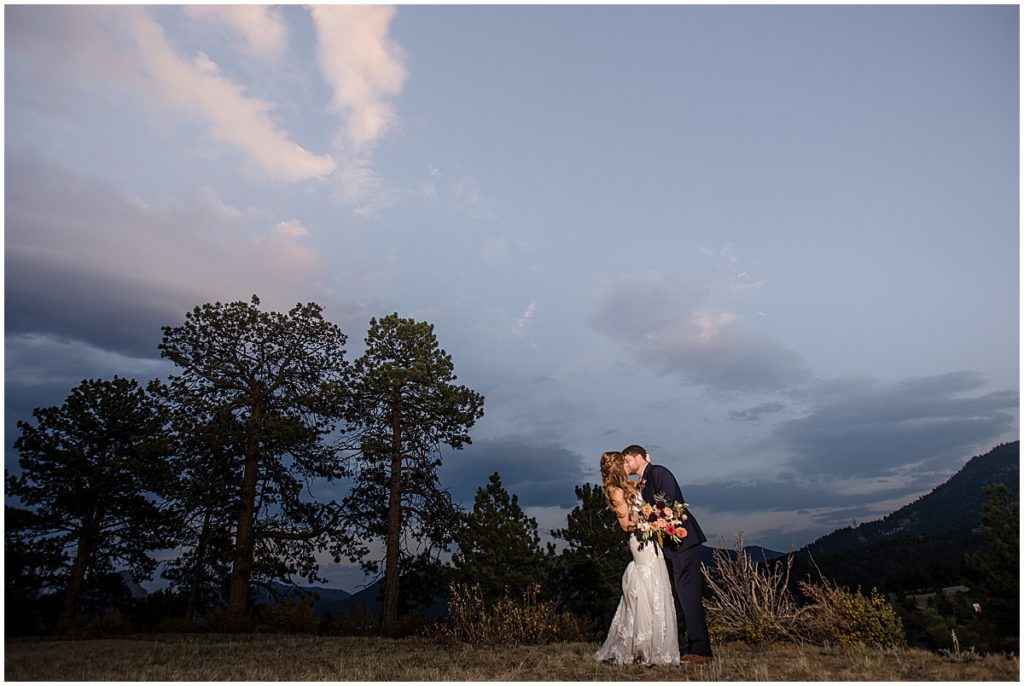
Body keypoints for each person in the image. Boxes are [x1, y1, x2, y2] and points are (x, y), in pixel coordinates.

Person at [622, 444, 713, 664]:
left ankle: (702, 651)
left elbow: (669, 505)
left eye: (627, 460)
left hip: (683, 541)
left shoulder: (659, 472)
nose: (625, 465)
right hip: (669, 546)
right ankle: (683, 646)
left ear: (639, 458)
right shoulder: (641, 482)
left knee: (688, 594)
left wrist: (646, 519)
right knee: (677, 596)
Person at [594, 451, 680, 666]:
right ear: (617, 466)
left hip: (651, 541)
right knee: (645, 588)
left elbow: (646, 479)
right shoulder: (615, 491)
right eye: (623, 462)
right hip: (640, 542)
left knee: (657, 587)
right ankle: (640, 646)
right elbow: (625, 526)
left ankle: (656, 643)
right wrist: (647, 521)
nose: (627, 464)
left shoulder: (631, 484)